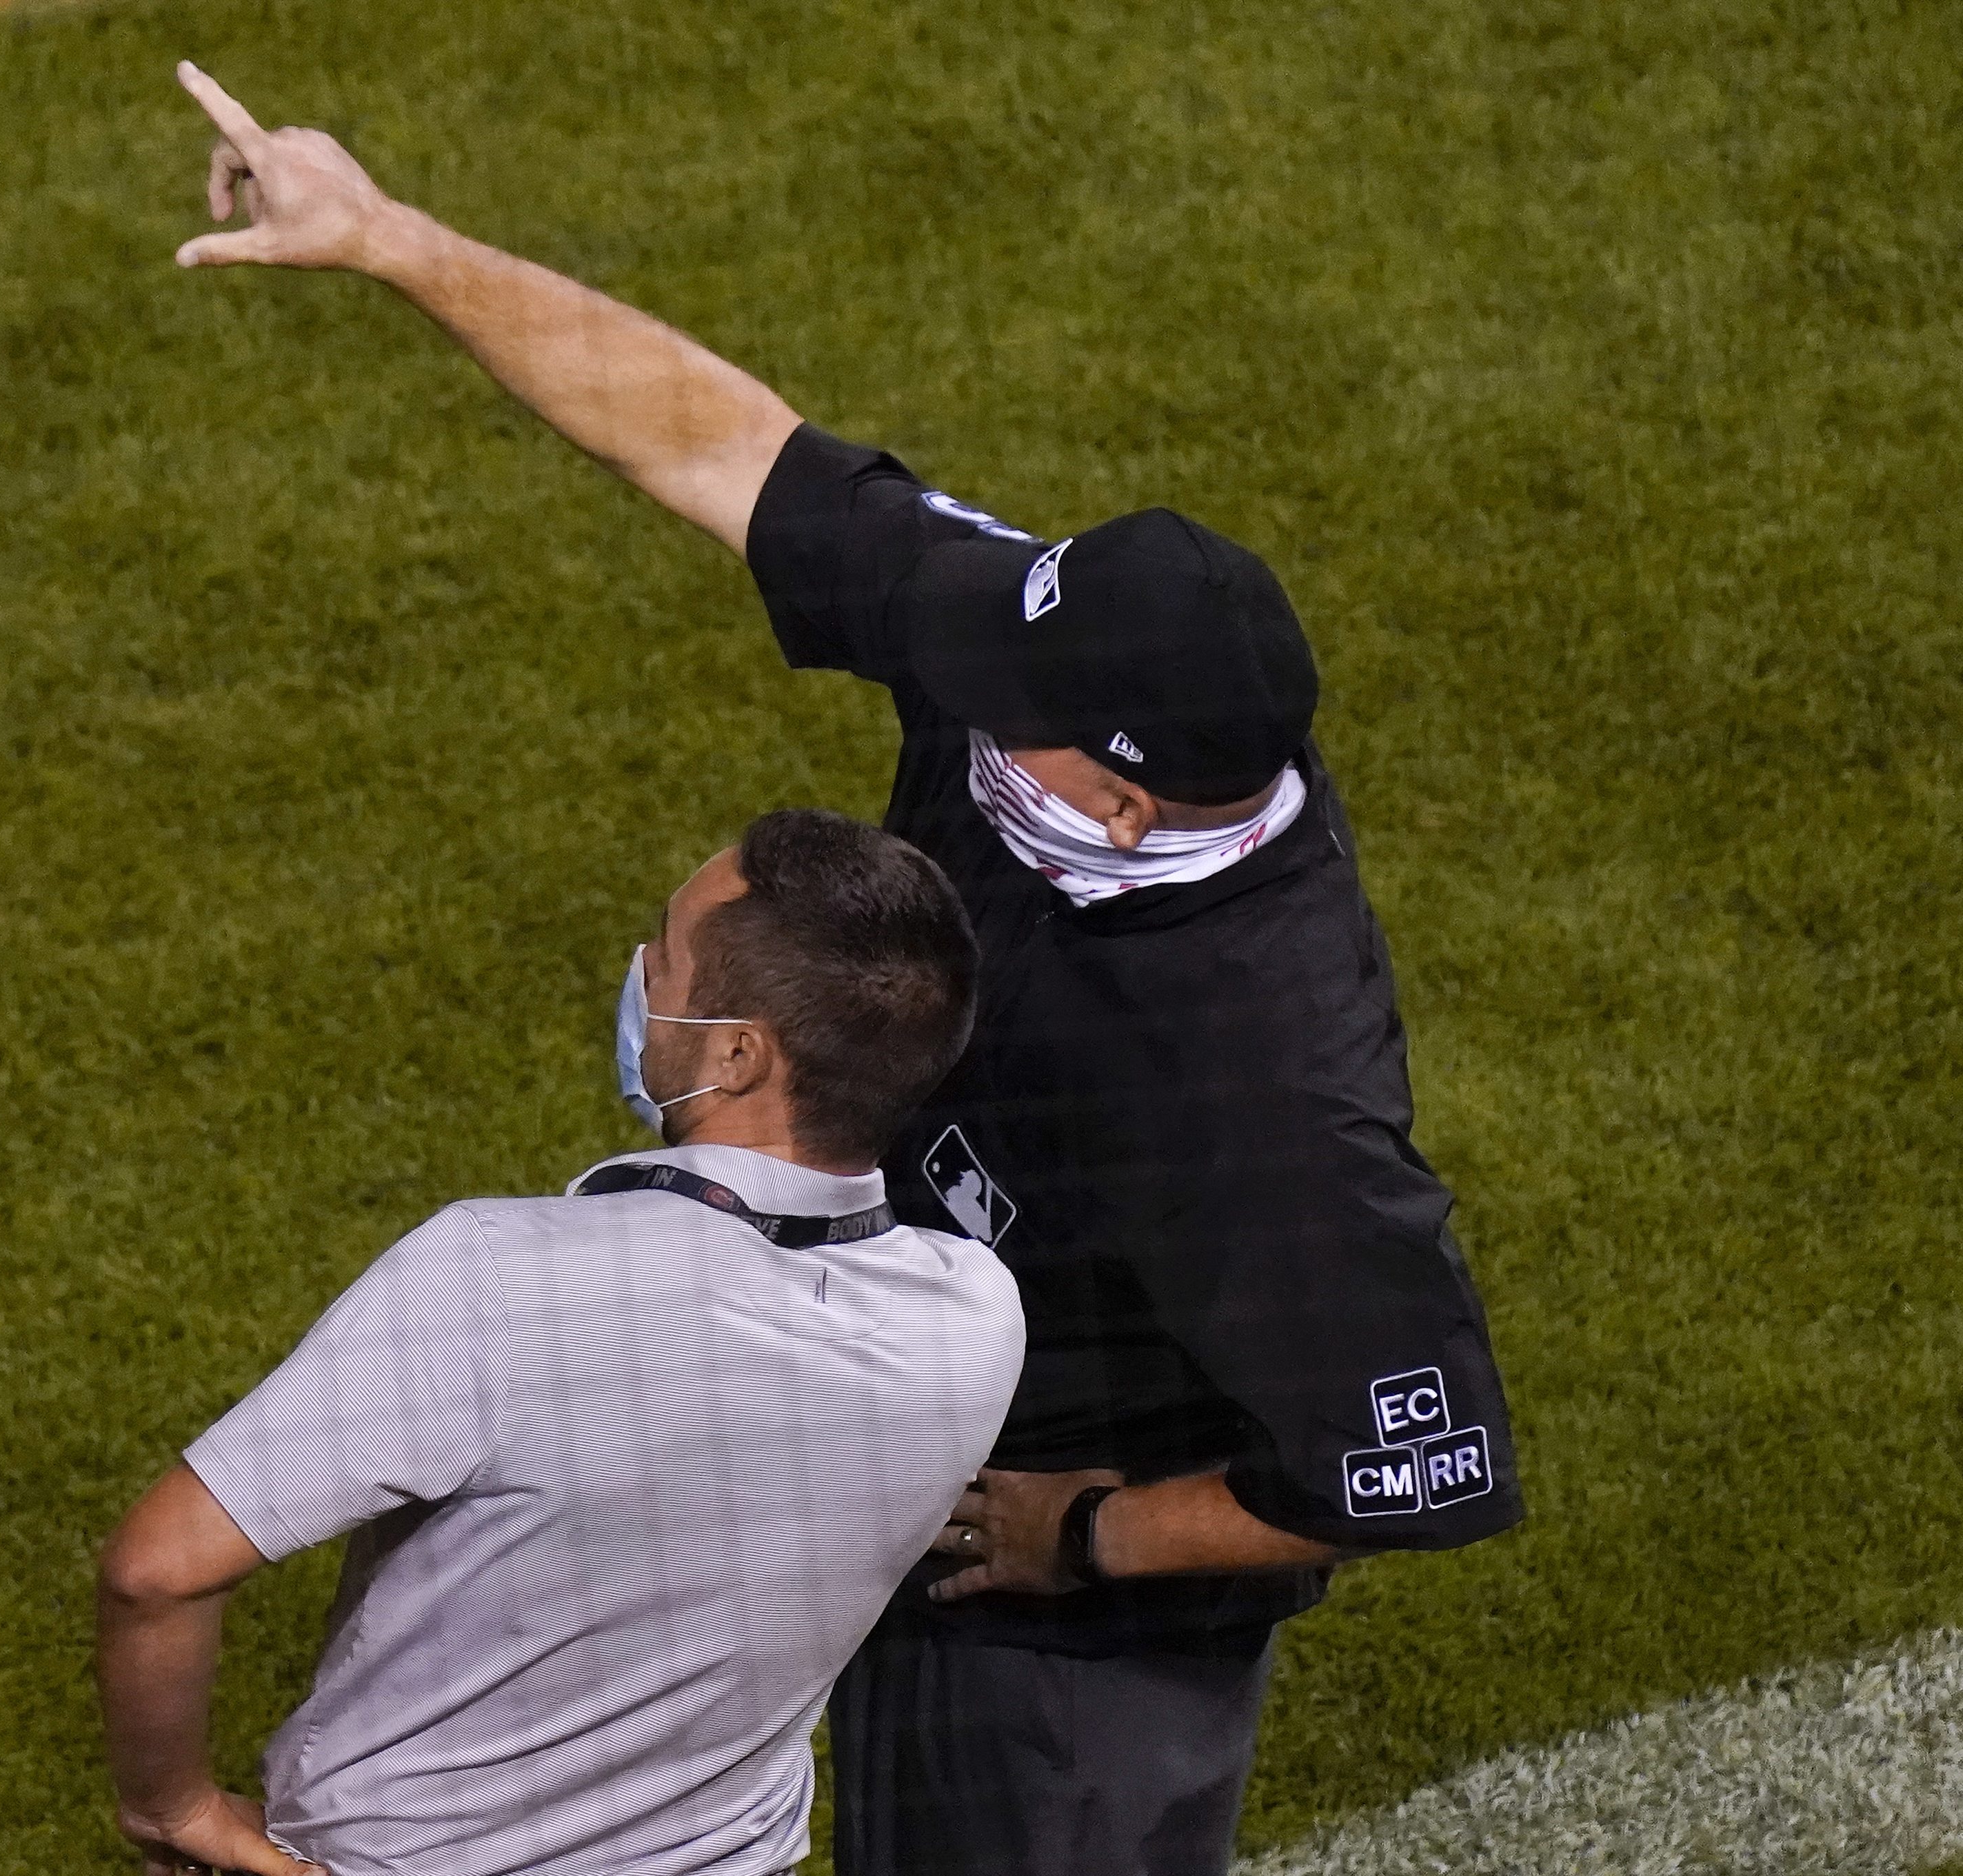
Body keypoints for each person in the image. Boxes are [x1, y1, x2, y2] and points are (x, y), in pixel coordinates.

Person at [163, 61, 1527, 1876]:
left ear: (1127, 805)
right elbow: (715, 441)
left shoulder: (1262, 1093)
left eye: (1025, 729)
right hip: (893, 1431)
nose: (975, 712)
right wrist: (393, 238)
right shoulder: (1027, 652)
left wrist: (1084, 1534)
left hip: (1054, 1641)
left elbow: (1405, 1468)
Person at [97, 809, 1027, 1876]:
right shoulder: (977, 1315)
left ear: (737, 1056)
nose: (641, 974)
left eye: (667, 959)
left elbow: (156, 1572)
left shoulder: (501, 1276)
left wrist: (172, 1806)